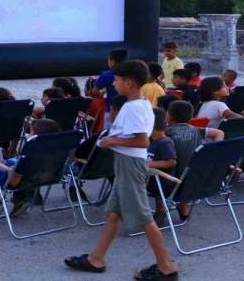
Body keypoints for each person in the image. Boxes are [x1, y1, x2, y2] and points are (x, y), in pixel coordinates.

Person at [65, 60, 179, 280]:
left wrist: (110, 141)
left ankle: (166, 265)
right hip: (125, 164)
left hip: (130, 165)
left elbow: (142, 142)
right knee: (113, 213)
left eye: (116, 80)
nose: (114, 84)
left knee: (144, 217)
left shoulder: (134, 108)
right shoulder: (139, 104)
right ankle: (96, 258)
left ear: (128, 83)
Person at [164, 100, 224, 221]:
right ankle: (184, 204)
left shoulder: (167, 133)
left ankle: (160, 210)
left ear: (169, 117)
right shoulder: (197, 130)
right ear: (191, 117)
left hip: (173, 181)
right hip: (197, 180)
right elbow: (219, 133)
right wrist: (214, 153)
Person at [146, 107, 178, 222]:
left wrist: (149, 164)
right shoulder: (152, 140)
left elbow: (171, 161)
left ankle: (160, 211)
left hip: (161, 182)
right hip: (152, 178)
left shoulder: (165, 142)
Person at [92, 48, 127, 113]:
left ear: (112, 61)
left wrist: (101, 92)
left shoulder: (106, 75)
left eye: (108, 60)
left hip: (112, 110)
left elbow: (94, 92)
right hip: (127, 108)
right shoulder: (131, 74)